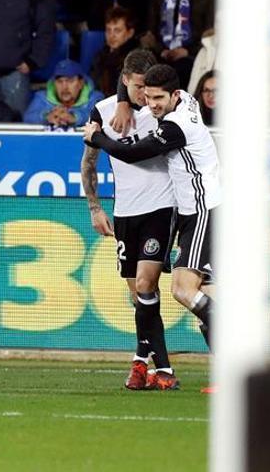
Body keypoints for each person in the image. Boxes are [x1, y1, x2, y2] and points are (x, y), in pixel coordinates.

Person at [83, 63, 220, 356]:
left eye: (159, 99)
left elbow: (132, 154)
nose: (152, 105)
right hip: (190, 212)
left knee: (183, 290)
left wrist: (97, 137)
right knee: (205, 295)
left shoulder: (176, 126)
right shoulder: (187, 100)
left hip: (202, 212)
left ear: (174, 95)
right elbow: (134, 72)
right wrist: (123, 100)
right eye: (148, 97)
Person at [80, 50, 178, 391]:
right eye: (138, 88)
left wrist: (128, 102)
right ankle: (149, 365)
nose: (144, 95)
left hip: (161, 207)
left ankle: (154, 367)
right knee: (139, 296)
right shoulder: (103, 111)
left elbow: (131, 151)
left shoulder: (166, 110)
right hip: (124, 213)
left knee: (147, 285)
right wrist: (95, 207)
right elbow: (89, 164)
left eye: (149, 87)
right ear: (125, 82)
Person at [144, 0, 215, 87]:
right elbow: (150, 32)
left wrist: (187, 51)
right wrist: (161, 50)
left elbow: (210, 35)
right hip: (161, 54)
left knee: (179, 70)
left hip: (193, 54)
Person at [24, 59, 103, 130]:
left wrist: (74, 117)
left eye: (70, 81)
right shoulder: (41, 97)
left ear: (81, 83)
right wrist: (47, 116)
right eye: (60, 81)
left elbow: (100, 118)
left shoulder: (95, 97)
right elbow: (28, 117)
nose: (64, 87)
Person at [90, 5, 140, 97]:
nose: (111, 35)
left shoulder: (136, 59)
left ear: (130, 33)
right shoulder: (99, 57)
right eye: (108, 30)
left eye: (117, 31)